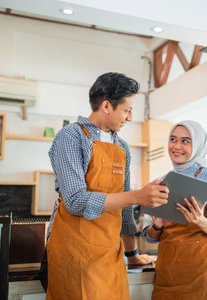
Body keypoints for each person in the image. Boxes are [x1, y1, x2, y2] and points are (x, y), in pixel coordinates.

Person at [45, 72, 169, 300]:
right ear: (106, 106)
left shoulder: (122, 147)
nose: (130, 117)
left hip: (111, 255)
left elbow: (123, 211)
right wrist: (137, 196)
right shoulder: (71, 137)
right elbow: (75, 201)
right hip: (74, 253)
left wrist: (132, 255)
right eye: (127, 109)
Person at [142, 120, 207, 299]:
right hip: (168, 275)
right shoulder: (160, 182)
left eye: (185, 141)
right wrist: (157, 226)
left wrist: (200, 221)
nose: (176, 146)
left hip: (204, 275)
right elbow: (149, 237)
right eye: (173, 139)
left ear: (197, 145)